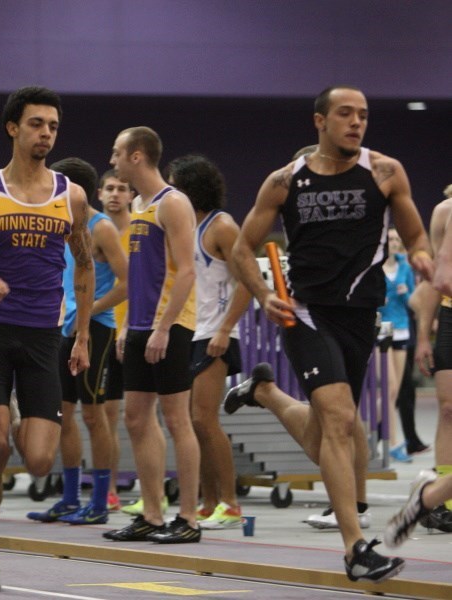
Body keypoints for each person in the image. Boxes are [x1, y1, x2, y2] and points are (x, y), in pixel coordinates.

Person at [227, 86, 432, 583]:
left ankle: (265, 393)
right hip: (306, 314)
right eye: (345, 114)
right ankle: (355, 547)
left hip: (360, 316)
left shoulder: (385, 172)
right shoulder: (284, 181)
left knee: (327, 432)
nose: (356, 122)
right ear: (320, 121)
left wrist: (424, 258)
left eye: (363, 115)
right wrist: (263, 293)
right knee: (340, 421)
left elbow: (414, 235)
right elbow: (240, 248)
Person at [0, 86, 93, 592]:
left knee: (41, 461)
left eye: (53, 126)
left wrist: (83, 335)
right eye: (36, 124)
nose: (46, 133)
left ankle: (22, 408)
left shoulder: (71, 196)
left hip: (44, 338)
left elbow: (85, 267)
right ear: (13, 128)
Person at [103, 127, 200, 545]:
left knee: (177, 419)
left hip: (171, 326)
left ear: (137, 156)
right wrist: (128, 324)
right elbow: (139, 277)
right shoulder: (139, 207)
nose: (113, 160)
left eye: (117, 153)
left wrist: (163, 327)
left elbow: (187, 271)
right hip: (140, 326)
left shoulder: (172, 203)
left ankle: (189, 518)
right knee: (135, 417)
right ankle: (152, 514)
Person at [26, 157, 126, 526]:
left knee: (93, 415)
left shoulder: (102, 229)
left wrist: (87, 311)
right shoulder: (60, 226)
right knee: (63, 415)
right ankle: (70, 498)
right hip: (60, 330)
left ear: (74, 191)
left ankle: (99, 503)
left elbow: (128, 282)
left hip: (95, 328)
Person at [169, 154, 251, 530]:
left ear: (192, 188)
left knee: (204, 419)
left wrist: (224, 328)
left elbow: (247, 282)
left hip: (215, 334)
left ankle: (231, 504)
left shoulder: (222, 227)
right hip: (190, 331)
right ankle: (209, 501)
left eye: (175, 186)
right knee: (191, 422)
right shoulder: (187, 227)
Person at [410, 193, 452, 532]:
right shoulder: (444, 212)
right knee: (449, 409)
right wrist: (424, 335)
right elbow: (433, 281)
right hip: (451, 314)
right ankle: (446, 503)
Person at [98, 170, 134, 512]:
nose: (115, 194)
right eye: (109, 188)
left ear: (130, 196)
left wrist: (128, 326)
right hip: (100, 330)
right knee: (104, 415)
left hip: (131, 332)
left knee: (135, 416)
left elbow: (143, 283)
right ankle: (107, 489)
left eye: (122, 189)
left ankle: (149, 491)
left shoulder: (141, 231)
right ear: (99, 193)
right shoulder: (95, 230)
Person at [378, 227, 416, 462]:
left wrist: (404, 293)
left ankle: (390, 441)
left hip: (401, 329)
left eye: (396, 239)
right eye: (389, 238)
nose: (392, 242)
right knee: (388, 388)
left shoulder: (405, 267)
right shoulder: (375, 266)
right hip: (380, 329)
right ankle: (382, 437)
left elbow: (413, 300)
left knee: (396, 389)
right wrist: (377, 300)